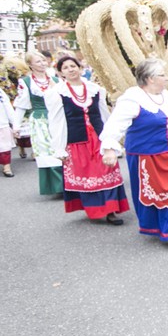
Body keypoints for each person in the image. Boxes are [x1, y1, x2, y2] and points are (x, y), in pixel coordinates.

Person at [99, 58, 168, 247]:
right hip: (148, 155)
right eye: (162, 75)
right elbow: (115, 124)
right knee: (159, 193)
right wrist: (109, 148)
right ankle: (163, 227)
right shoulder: (133, 98)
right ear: (150, 78)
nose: (167, 78)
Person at [46, 56, 129, 223]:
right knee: (87, 174)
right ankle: (94, 209)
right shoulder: (56, 93)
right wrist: (59, 147)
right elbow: (56, 121)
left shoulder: (95, 89)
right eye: (66, 67)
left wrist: (112, 140)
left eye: (73, 66)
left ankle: (111, 210)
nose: (71, 69)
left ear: (80, 67)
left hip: (98, 139)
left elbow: (104, 115)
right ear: (60, 72)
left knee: (107, 171)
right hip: (77, 140)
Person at [13, 52, 63, 195]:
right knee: (46, 151)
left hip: (57, 118)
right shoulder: (26, 82)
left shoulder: (55, 80)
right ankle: (56, 186)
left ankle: (68, 184)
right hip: (40, 119)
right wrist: (16, 126)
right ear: (30, 65)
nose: (42, 63)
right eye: (38, 61)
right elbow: (21, 105)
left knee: (61, 148)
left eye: (43, 60)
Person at [0, 89, 15, 177]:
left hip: (2, 123)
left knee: (5, 147)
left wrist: (14, 122)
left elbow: (8, 106)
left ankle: (7, 167)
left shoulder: (1, 93)